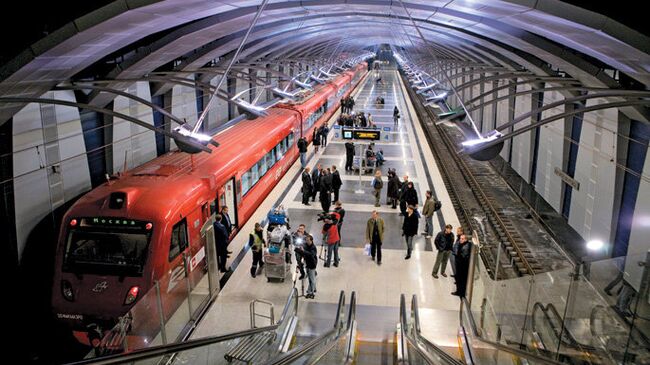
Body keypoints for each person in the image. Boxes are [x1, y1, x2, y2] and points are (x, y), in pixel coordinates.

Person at [297, 234, 318, 299]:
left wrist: (303, 251)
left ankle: (311, 292)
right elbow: (303, 253)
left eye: (308, 240)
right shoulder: (305, 245)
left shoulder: (313, 248)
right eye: (306, 240)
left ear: (311, 241)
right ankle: (313, 289)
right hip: (307, 264)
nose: (307, 241)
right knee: (310, 278)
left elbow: (310, 254)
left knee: (312, 279)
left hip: (312, 264)